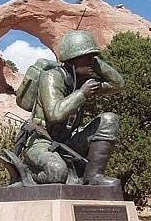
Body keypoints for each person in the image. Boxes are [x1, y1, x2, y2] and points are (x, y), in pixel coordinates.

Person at [23, 30, 125, 185]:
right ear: (72, 60)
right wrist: (82, 94)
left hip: (68, 140)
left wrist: (96, 63)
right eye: (87, 58)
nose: (92, 62)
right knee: (57, 173)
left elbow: (118, 84)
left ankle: (93, 178)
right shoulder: (52, 77)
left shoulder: (82, 80)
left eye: (94, 58)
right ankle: (28, 172)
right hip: (42, 141)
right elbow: (54, 114)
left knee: (110, 120)